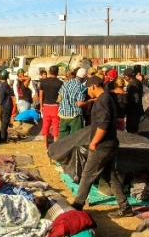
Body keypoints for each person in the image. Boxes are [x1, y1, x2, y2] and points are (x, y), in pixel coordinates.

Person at [70, 76, 135, 220]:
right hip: (110, 143)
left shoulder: (102, 100)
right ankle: (125, 207)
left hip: (102, 145)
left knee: (87, 174)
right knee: (110, 176)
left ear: (93, 86)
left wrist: (94, 142)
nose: (87, 92)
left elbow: (104, 124)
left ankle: (77, 205)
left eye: (88, 88)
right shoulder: (107, 98)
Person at [57, 68, 88, 139]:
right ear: (84, 78)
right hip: (75, 115)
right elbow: (80, 103)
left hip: (63, 114)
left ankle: (60, 149)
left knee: (62, 136)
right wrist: (90, 101)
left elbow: (59, 98)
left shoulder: (66, 83)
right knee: (77, 137)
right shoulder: (82, 87)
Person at [38, 65, 63, 151]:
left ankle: (46, 145)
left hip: (46, 106)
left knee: (46, 125)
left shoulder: (43, 82)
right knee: (56, 126)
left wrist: (41, 106)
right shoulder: (60, 83)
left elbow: (41, 95)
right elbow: (61, 97)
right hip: (56, 106)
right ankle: (55, 146)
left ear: (49, 72)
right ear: (57, 72)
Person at [123, 68, 144, 133]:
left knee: (132, 129)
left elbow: (136, 99)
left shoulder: (133, 85)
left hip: (133, 112)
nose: (124, 78)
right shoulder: (136, 82)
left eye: (125, 76)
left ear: (128, 77)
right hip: (135, 111)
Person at [0, 69, 13, 147]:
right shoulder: (5, 85)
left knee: (3, 121)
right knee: (5, 122)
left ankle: (4, 136)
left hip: (2, 105)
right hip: (6, 105)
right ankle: (3, 138)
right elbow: (12, 93)